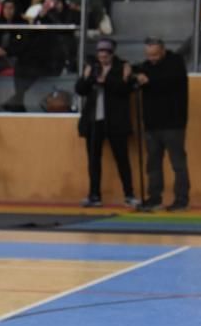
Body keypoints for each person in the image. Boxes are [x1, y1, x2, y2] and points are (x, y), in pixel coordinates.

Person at [75, 38, 139, 208]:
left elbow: (126, 90)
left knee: (122, 159)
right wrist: (87, 77)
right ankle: (94, 195)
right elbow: (80, 90)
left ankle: (129, 194)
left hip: (116, 120)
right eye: (100, 54)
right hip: (94, 120)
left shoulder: (121, 67)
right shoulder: (92, 68)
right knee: (94, 160)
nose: (103, 57)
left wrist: (107, 81)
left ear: (112, 54)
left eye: (106, 54)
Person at [134, 37, 190, 212]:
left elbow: (168, 81)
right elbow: (136, 74)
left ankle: (181, 199)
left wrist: (147, 79)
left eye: (155, 55)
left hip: (173, 122)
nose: (152, 59)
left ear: (163, 51)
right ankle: (154, 197)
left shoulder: (175, 63)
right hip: (152, 123)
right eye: (149, 55)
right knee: (153, 163)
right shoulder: (146, 66)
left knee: (178, 163)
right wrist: (135, 74)